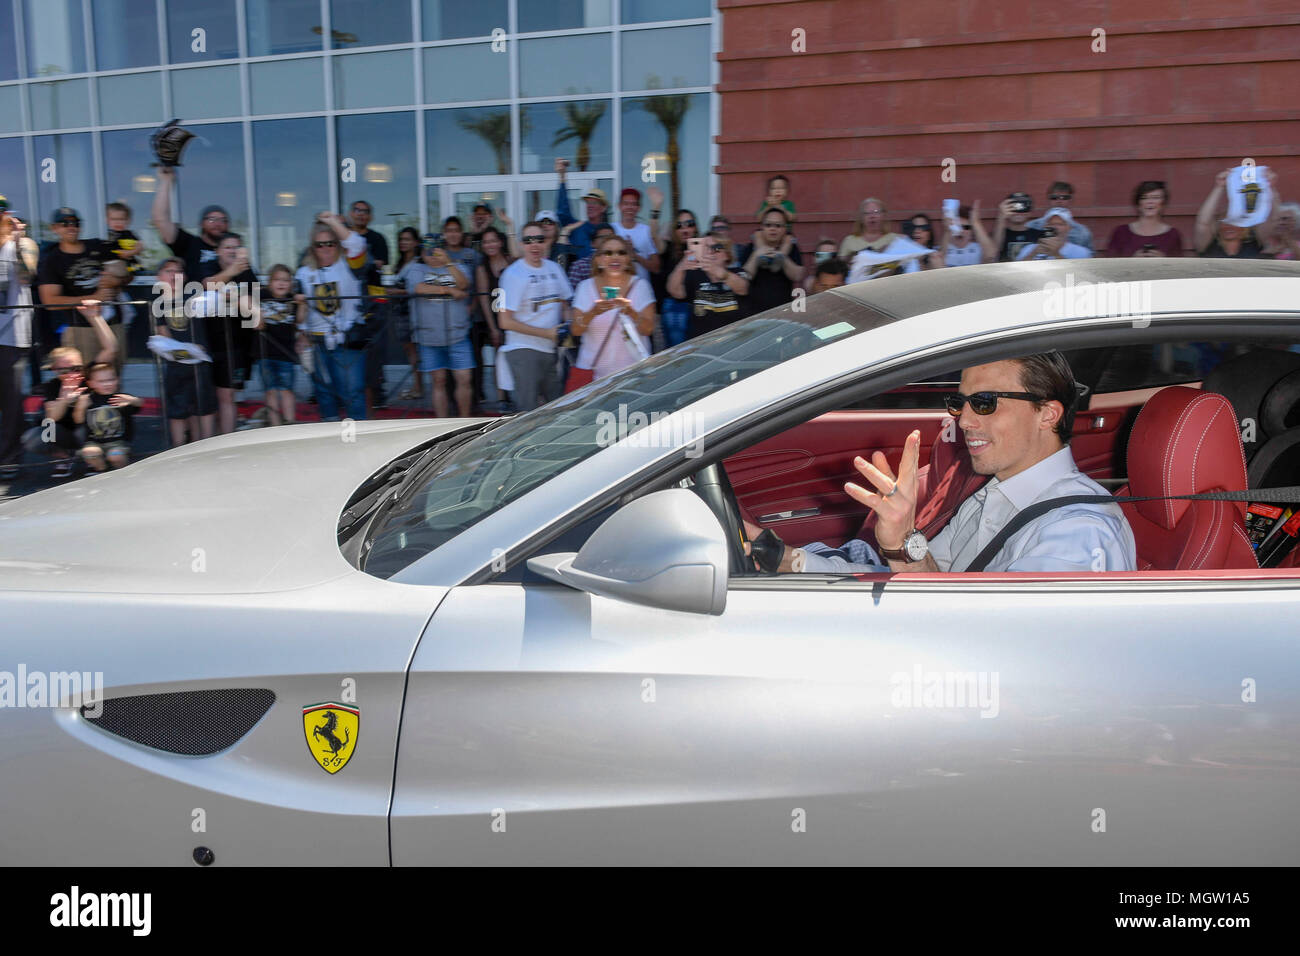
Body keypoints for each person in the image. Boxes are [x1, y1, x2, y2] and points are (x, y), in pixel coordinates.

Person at [747, 351, 1137, 574]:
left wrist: (901, 540)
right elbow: (937, 582)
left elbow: (998, 656)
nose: (964, 421)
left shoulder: (1078, 532)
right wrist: (782, 558)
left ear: (1048, 414)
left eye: (985, 403)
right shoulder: (993, 493)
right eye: (960, 403)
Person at [294, 212, 370, 422]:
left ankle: (358, 438)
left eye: (330, 243)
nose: (325, 248)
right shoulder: (303, 273)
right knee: (324, 395)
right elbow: (302, 310)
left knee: (353, 393)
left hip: (346, 342)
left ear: (337, 244)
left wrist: (331, 221)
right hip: (316, 342)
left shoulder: (349, 265)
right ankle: (332, 439)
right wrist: (301, 335)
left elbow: (356, 244)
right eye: (319, 244)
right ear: (312, 247)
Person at [35, 207, 125, 371]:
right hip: (81, 330)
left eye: (75, 223)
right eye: (64, 223)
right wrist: (94, 297)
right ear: (54, 228)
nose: (71, 227)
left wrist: (116, 279)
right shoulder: (52, 260)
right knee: (83, 380)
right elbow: (49, 301)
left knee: (113, 382)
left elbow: (126, 274)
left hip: (114, 324)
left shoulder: (97, 246)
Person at [497, 221, 572, 412]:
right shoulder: (512, 274)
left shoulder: (554, 269)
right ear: (521, 244)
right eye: (528, 240)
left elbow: (566, 304)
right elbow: (504, 321)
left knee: (557, 409)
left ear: (547, 241)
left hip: (551, 350)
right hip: (523, 349)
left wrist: (567, 330)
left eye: (539, 239)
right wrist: (546, 333)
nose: (534, 245)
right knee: (528, 413)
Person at [570, 233, 656, 383]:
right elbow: (576, 330)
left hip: (631, 375)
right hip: (593, 376)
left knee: (624, 408)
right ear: (598, 260)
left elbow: (648, 330)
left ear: (628, 259)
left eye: (621, 252)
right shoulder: (585, 287)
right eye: (608, 253)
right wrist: (593, 312)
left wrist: (630, 311)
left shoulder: (641, 286)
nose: (615, 257)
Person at [151, 257, 217, 446]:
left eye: (178, 271)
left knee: (203, 408)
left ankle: (207, 447)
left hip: (201, 364)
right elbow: (163, 338)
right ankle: (178, 449)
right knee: (177, 409)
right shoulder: (158, 305)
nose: (173, 275)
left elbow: (215, 302)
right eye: (168, 271)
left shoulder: (195, 297)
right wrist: (186, 350)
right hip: (176, 365)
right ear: (159, 277)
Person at [408, 233, 473, 418]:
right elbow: (419, 288)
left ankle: (465, 422)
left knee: (464, 379)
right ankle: (442, 424)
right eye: (427, 250)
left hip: (457, 335)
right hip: (429, 337)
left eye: (436, 250)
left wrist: (448, 263)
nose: (431, 255)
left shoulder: (457, 266)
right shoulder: (417, 269)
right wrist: (448, 290)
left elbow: (464, 284)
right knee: (438, 381)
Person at [203, 232, 257, 433]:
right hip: (207, 342)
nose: (232, 251)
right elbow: (206, 284)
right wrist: (232, 271)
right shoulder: (209, 265)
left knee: (227, 396)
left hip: (236, 344)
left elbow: (256, 300)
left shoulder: (247, 271)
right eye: (227, 247)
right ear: (217, 251)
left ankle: (226, 441)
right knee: (210, 396)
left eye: (236, 247)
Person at [1, 209, 36, 480]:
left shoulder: (23, 244)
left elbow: (27, 276)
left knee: (11, 400)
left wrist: (16, 239)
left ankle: (10, 456)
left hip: (12, 335)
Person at [150, 166, 228, 283]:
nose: (217, 223)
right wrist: (166, 180)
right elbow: (160, 219)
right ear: (201, 223)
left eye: (223, 220)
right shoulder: (189, 244)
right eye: (212, 219)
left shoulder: (233, 248)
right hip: (192, 299)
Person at [667, 232, 751, 339]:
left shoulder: (737, 272)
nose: (710, 252)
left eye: (716, 248)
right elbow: (674, 291)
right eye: (705, 248)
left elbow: (743, 288)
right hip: (701, 343)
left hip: (733, 341)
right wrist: (681, 267)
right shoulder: (695, 275)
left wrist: (720, 273)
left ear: (726, 254)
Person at [348, 200, 390, 412]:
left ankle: (377, 391)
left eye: (365, 212)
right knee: (350, 347)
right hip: (350, 299)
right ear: (350, 213)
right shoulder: (343, 238)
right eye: (357, 211)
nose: (361, 215)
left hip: (374, 300)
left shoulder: (377, 238)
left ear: (370, 216)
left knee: (375, 348)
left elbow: (377, 266)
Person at [253, 264, 300, 427]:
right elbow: (246, 305)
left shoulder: (293, 300)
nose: (281, 283)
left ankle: (289, 422)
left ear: (291, 283)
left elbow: (300, 320)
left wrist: (304, 304)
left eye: (286, 280)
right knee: (270, 391)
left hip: (286, 353)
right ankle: (275, 426)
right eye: (277, 280)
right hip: (264, 353)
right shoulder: (261, 296)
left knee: (287, 390)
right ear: (270, 282)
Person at [1196, 167, 1279, 258]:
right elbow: (1203, 223)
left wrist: (1270, 188)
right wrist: (1219, 187)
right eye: (1225, 222)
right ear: (1218, 226)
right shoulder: (1209, 245)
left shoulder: (1255, 242)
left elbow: (1272, 219)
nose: (1229, 226)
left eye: (1235, 221)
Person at [74, 362, 142, 472]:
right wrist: (80, 407)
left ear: (118, 380)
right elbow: (78, 420)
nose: (107, 384)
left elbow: (140, 404)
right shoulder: (88, 400)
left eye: (111, 380)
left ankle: (124, 472)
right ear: (90, 384)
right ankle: (102, 471)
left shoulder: (120, 398)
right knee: (89, 453)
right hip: (93, 442)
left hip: (119, 442)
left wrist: (133, 400)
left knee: (115, 456)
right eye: (101, 381)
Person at [473, 226, 511, 410]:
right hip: (493, 316)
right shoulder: (482, 268)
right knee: (498, 358)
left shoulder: (511, 262)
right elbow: (483, 298)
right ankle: (502, 398)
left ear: (500, 242)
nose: (490, 245)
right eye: (486, 242)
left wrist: (509, 225)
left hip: (512, 315)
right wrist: (493, 327)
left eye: (493, 240)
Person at [738, 207, 803, 314]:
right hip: (753, 313)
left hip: (783, 312)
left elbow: (798, 275)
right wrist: (756, 255)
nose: (773, 229)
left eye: (778, 225)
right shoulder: (750, 247)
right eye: (768, 225)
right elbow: (744, 278)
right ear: (762, 228)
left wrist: (781, 256)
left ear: (785, 229)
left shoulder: (792, 248)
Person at [38, 346, 86, 478]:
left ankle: (90, 456)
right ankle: (62, 457)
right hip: (64, 431)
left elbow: (111, 349)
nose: (72, 374)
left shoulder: (90, 381)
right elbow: (51, 418)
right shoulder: (52, 386)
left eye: (77, 369)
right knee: (37, 435)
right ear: (54, 370)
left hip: (87, 431)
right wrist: (64, 398)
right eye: (64, 371)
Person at [655, 209, 699, 347]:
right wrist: (656, 209)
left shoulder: (704, 246)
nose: (685, 229)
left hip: (701, 304)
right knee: (678, 354)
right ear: (674, 230)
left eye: (689, 223)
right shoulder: (668, 248)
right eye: (679, 225)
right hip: (676, 306)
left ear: (695, 227)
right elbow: (653, 235)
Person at [1105, 181, 1184, 258]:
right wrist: (1132, 261)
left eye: (1155, 197)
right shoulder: (1121, 232)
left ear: (1163, 203)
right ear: (1138, 203)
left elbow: (1179, 267)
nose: (1150, 202)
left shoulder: (1173, 235)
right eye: (1144, 198)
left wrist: (1163, 260)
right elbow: (1110, 264)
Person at [389, 227, 423, 400]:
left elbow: (414, 290)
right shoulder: (400, 263)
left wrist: (395, 292)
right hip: (400, 312)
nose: (404, 242)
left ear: (416, 242)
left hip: (412, 312)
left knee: (414, 352)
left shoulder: (418, 263)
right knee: (409, 351)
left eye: (408, 239)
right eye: (401, 239)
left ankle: (418, 387)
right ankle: (417, 386)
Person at [1025, 182, 1093, 251]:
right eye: (1054, 198)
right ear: (1048, 199)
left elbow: (1089, 258)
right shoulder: (1032, 226)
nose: (1059, 201)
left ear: (1071, 200)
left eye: (1065, 197)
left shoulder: (1082, 231)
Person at [611, 188, 660, 282]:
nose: (629, 207)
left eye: (633, 204)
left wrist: (634, 256)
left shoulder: (646, 230)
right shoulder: (611, 229)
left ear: (639, 208)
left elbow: (656, 268)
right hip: (616, 289)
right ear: (619, 206)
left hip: (642, 290)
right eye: (626, 203)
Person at [556, 186, 610, 264]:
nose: (589, 206)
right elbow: (563, 213)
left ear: (603, 208)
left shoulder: (607, 232)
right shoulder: (578, 227)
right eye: (588, 203)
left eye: (594, 203)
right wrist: (562, 181)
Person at [1015, 208, 1094, 260]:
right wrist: (1034, 253)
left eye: (1060, 224)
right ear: (1045, 226)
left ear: (1069, 228)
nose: (1055, 228)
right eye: (1051, 224)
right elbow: (1017, 273)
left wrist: (1056, 254)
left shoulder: (1081, 252)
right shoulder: (1029, 248)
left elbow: (1079, 276)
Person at [993, 192, 1044, 261]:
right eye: (1014, 206)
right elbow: (993, 253)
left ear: (1030, 212)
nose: (1019, 211)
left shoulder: (1038, 235)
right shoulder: (1000, 234)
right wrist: (1001, 217)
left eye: (1024, 206)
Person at [943, 202, 996, 267]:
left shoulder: (979, 249)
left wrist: (976, 223)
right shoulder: (944, 248)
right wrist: (947, 231)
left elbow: (991, 255)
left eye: (966, 227)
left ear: (972, 231)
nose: (961, 231)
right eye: (958, 226)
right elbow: (940, 260)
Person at [104, 201, 144, 278]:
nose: (118, 222)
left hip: (131, 267)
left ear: (128, 221)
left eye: (121, 219)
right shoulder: (106, 235)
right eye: (114, 219)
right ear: (107, 220)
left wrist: (131, 252)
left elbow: (140, 246)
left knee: (140, 270)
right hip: (114, 269)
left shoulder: (129, 234)